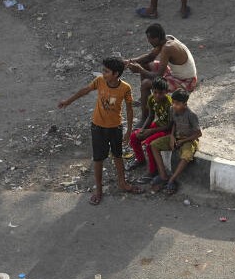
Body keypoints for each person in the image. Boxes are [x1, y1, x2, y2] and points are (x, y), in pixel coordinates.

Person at [58, 57, 143, 205]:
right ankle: (98, 190)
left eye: (106, 71)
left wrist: (129, 130)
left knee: (118, 156)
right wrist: (68, 101)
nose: (103, 73)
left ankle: (122, 183)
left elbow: (129, 110)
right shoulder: (99, 81)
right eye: (103, 70)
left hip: (115, 128)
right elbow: (85, 90)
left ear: (116, 74)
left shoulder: (125, 88)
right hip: (97, 127)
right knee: (98, 159)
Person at [125, 24, 198, 123]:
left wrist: (140, 70)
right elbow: (150, 57)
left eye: (150, 39)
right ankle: (145, 99)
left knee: (146, 83)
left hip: (185, 81)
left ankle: (145, 118)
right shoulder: (166, 39)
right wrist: (129, 61)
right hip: (175, 74)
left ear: (158, 37)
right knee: (144, 64)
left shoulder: (168, 48)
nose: (149, 41)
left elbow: (158, 75)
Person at [149, 89, 201, 195]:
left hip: (188, 140)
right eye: (173, 102)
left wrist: (183, 141)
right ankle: (163, 176)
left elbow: (198, 134)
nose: (174, 105)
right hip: (176, 137)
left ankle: (172, 180)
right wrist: (172, 136)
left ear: (185, 104)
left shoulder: (191, 115)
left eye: (177, 104)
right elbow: (173, 124)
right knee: (153, 145)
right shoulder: (172, 109)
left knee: (186, 155)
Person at [127, 77, 172, 180]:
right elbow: (151, 116)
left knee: (149, 144)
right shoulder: (151, 99)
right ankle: (140, 159)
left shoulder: (170, 104)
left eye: (160, 93)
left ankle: (152, 170)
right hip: (158, 125)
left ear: (166, 92)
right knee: (134, 136)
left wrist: (150, 131)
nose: (157, 95)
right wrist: (143, 129)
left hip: (167, 130)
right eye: (155, 92)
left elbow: (169, 126)